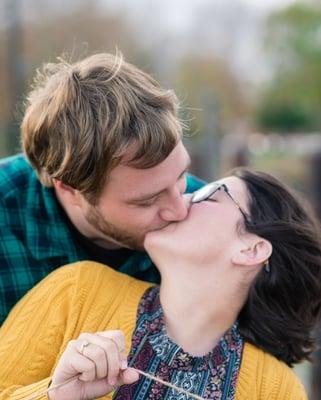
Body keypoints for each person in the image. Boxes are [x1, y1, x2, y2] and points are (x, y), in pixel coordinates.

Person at [1, 168, 321, 400]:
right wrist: (55, 396)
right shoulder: (76, 291)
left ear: (252, 249)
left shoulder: (277, 391)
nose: (181, 202)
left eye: (209, 195)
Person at [0, 52, 203, 325]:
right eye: (146, 201)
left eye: (181, 175)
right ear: (69, 189)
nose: (180, 209)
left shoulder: (213, 212)